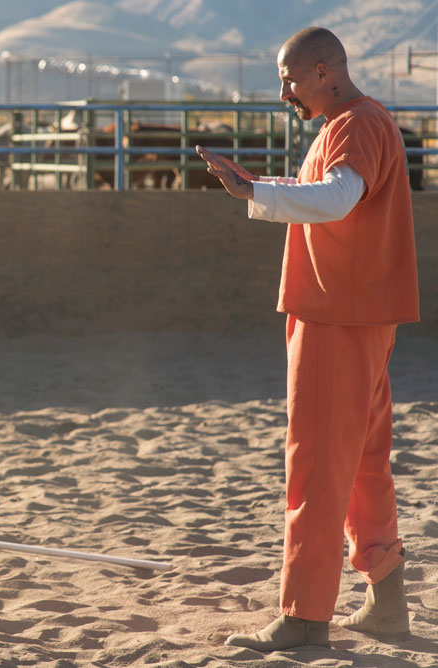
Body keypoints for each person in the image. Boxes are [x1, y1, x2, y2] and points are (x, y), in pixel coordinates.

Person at [196, 26, 419, 651]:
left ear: (325, 71)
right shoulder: (349, 124)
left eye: (290, 79)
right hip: (355, 315)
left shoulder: (357, 124)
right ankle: (386, 602)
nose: (284, 92)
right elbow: (331, 197)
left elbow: (340, 198)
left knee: (317, 461)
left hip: (338, 318)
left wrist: (257, 191)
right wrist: (260, 189)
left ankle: (305, 615)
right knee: (363, 462)